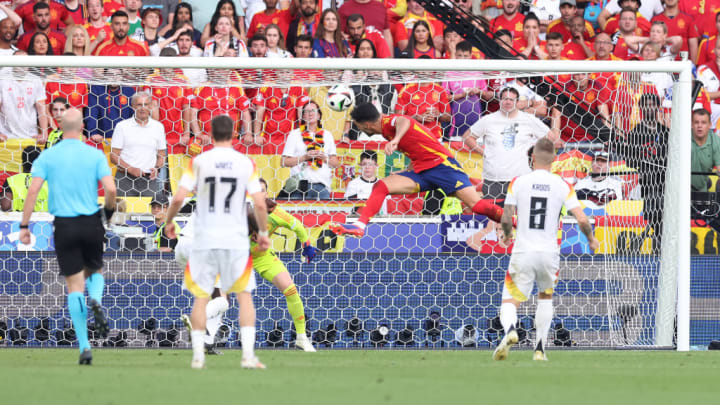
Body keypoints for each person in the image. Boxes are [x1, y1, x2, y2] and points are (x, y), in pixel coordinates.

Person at [163, 114, 271, 370]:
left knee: (206, 294)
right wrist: (263, 232)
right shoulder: (245, 162)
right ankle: (247, 356)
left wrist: (169, 221)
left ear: (210, 135)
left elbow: (178, 198)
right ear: (234, 134)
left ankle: (202, 351)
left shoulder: (199, 161)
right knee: (241, 296)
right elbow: (257, 202)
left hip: (194, 239)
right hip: (229, 240)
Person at [19, 108, 117, 365]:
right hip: (90, 221)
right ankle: (96, 299)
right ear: (83, 126)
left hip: (64, 224)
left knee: (74, 286)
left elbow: (33, 191)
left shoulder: (48, 156)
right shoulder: (94, 154)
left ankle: (84, 348)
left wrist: (24, 225)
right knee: (95, 272)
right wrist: (107, 212)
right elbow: (111, 188)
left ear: (59, 125)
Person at [330, 103, 505, 238]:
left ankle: (514, 221)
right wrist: (405, 171)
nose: (358, 129)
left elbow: (404, 119)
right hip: (423, 171)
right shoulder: (385, 132)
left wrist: (396, 140)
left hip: (443, 167)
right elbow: (417, 151)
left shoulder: (388, 122)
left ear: (366, 124)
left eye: (357, 125)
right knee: (381, 186)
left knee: (477, 205)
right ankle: (360, 226)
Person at [494, 137, 599, 362]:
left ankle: (511, 329)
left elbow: (506, 215)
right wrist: (591, 239)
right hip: (549, 253)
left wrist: (507, 233)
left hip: (523, 250)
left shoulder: (518, 182)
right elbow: (581, 219)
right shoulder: (563, 185)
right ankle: (540, 349)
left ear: (532, 158)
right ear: (553, 160)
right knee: (545, 297)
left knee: (509, 301)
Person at [251, 178, 318, 351]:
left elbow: (298, 227)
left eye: (262, 190)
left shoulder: (274, 212)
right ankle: (209, 334)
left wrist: (307, 245)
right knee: (222, 295)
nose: (259, 194)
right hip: (236, 257)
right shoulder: (237, 209)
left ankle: (301, 338)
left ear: (266, 193)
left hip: (261, 257)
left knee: (291, 290)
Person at [463, 87, 559, 202]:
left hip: (521, 179)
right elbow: (467, 136)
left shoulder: (528, 119)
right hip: (494, 179)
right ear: (499, 101)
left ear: (517, 102)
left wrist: (534, 156)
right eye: (505, 99)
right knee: (495, 217)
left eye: (511, 100)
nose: (508, 102)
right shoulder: (488, 119)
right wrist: (483, 152)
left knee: (520, 217)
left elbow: (552, 139)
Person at [618, 93, 668, 249]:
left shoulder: (666, 132)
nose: (649, 108)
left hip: (667, 182)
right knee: (655, 217)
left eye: (652, 105)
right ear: (640, 108)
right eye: (646, 105)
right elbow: (631, 162)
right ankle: (658, 246)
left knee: (668, 219)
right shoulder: (635, 133)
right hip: (649, 183)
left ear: (657, 107)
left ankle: (663, 247)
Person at [110, 91, 167, 197]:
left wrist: (157, 168)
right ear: (132, 106)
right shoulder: (122, 126)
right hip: (124, 180)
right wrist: (130, 169)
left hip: (149, 181)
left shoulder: (158, 127)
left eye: (146, 104)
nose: (142, 108)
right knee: (123, 212)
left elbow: (162, 155)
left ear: (150, 106)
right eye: (139, 104)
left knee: (148, 212)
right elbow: (113, 156)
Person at [281, 101, 340, 200]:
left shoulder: (327, 135)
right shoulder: (294, 134)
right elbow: (283, 162)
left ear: (319, 115)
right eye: (307, 111)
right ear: (303, 116)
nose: (310, 113)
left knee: (322, 216)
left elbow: (335, 164)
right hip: (299, 187)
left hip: (322, 187)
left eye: (313, 110)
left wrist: (324, 158)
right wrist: (305, 157)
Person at [0, 53, 49, 142]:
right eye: (19, 61)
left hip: (30, 135)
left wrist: (44, 133)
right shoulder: (2, 80)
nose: (22, 65)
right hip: (6, 136)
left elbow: (41, 109)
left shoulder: (36, 81)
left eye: (25, 61)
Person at [443, 41, 487, 139]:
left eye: (465, 56)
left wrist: (478, 91)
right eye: (460, 55)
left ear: (471, 55)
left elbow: (486, 95)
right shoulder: (450, 72)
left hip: (476, 119)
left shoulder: (477, 72)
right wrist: (462, 95)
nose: (463, 59)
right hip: (456, 121)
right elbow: (444, 97)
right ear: (455, 55)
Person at [1, 146, 49, 212]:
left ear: (23, 162)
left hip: (18, 220)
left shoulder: (11, 180)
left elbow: (5, 206)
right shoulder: (49, 180)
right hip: (45, 220)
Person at [691, 108, 720, 193]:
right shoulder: (683, 139)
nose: (699, 126)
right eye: (696, 122)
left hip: (701, 191)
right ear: (692, 124)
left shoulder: (716, 141)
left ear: (710, 125)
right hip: (678, 192)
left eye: (703, 123)